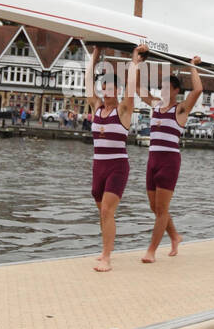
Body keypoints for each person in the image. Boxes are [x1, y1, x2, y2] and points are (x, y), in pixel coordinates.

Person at [85, 43, 144, 272]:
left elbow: (130, 90)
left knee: (107, 211)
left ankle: (108, 258)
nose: (105, 90)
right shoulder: (97, 107)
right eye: (104, 86)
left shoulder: (124, 110)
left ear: (117, 90)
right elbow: (88, 82)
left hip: (117, 166)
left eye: (110, 87)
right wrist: (95, 56)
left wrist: (135, 63)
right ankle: (104, 251)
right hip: (98, 165)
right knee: (102, 213)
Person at [139, 55, 202, 262]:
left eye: (167, 88)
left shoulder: (180, 109)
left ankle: (152, 250)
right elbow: (139, 90)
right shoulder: (156, 105)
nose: (163, 92)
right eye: (161, 88)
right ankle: (175, 236)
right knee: (154, 207)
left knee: (162, 210)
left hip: (169, 161)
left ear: (175, 91)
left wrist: (192, 67)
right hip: (152, 160)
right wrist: (138, 63)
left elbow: (198, 90)